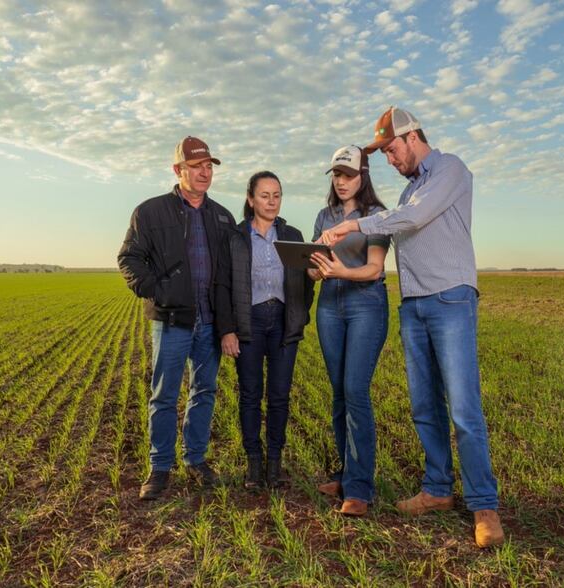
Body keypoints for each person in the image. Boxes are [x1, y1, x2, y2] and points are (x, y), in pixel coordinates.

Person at [319, 107, 505, 547]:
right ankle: (437, 490)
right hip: (415, 305)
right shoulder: (409, 191)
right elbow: (406, 216)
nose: (388, 159)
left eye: (390, 149)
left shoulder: (450, 170)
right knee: (425, 405)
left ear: (413, 136)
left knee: (463, 407)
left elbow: (413, 219)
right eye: (382, 152)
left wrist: (355, 223)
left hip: (450, 300)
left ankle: (484, 506)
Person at [118, 136, 236, 500]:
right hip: (171, 321)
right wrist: (159, 290)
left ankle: (196, 459)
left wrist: (228, 323)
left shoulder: (222, 216)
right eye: (196, 166)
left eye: (208, 167)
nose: (204, 173)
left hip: (210, 321)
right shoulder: (150, 212)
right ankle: (160, 467)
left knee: (204, 391)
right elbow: (129, 259)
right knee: (164, 395)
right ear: (178, 170)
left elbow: (230, 274)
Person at [216, 171, 314, 490]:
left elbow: (305, 282)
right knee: (250, 395)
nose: (271, 202)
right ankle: (253, 465)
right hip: (251, 323)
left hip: (284, 323)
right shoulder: (235, 237)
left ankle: (275, 463)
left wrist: (299, 315)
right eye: (264, 195)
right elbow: (223, 285)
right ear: (250, 199)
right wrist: (227, 330)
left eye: (276, 195)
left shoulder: (293, 235)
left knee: (279, 397)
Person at [307, 146, 390, 517]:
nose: (342, 182)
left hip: (365, 305)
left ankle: (359, 489)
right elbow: (313, 267)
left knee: (356, 390)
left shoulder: (377, 216)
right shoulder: (324, 216)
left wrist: (341, 271)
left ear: (364, 176)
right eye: (337, 175)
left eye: (349, 175)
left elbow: (374, 269)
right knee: (339, 392)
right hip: (329, 306)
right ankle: (344, 474)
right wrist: (311, 269)